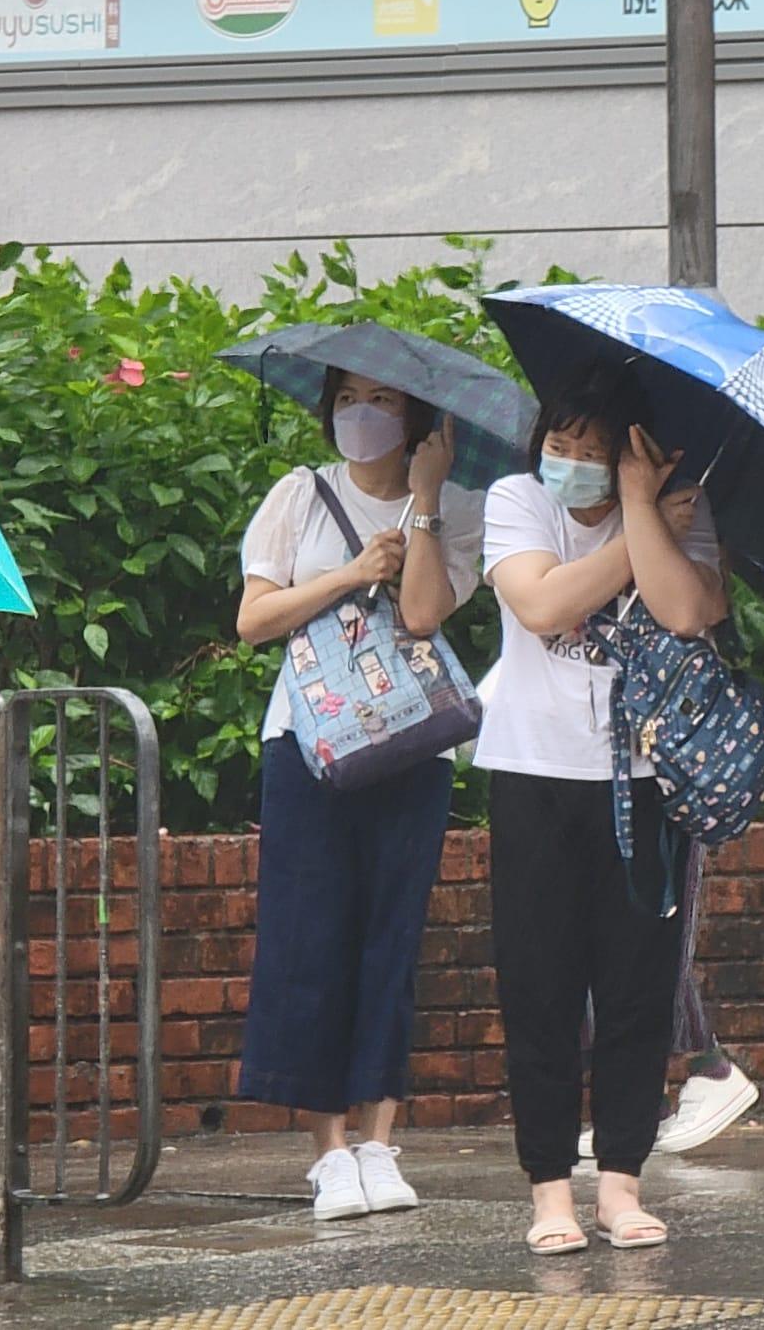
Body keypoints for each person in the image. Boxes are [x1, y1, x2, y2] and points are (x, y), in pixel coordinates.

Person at [476, 374, 727, 1255]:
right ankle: (550, 1192)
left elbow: (689, 610)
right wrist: (641, 518)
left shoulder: (684, 513)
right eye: (564, 444)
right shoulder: (517, 501)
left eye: (599, 450)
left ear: (637, 450)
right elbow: (541, 603)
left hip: (646, 782)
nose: (574, 464)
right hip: (533, 775)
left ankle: (621, 1184)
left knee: (635, 990)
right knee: (539, 988)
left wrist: (643, 510)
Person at [235, 369, 484, 1221]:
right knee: (311, 936)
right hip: (307, 742)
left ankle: (379, 1140)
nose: (360, 414)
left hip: (411, 743)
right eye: (346, 399)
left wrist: (423, 500)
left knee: (392, 935)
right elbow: (254, 619)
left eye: (379, 399)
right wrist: (347, 575)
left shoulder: (460, 508)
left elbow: (421, 614)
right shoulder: (300, 495)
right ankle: (329, 1153)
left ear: (415, 414)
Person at [575, 483, 761, 1166]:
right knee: (599, 934)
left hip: (665, 757)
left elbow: (693, 609)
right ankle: (644, 1101)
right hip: (585, 753)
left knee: (652, 923)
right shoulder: (589, 513)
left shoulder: (690, 509)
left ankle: (707, 1066)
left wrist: (651, 524)